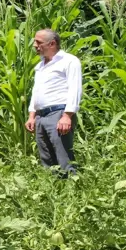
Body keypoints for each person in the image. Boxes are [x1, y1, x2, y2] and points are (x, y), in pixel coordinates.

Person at [25, 29, 82, 175]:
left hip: (59, 114)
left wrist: (67, 116)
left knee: (64, 159)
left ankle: (72, 191)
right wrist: (32, 115)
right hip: (41, 116)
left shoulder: (69, 61)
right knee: (47, 159)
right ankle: (54, 191)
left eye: (38, 42)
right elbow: (36, 91)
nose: (35, 46)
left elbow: (75, 89)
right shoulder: (41, 65)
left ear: (52, 43)